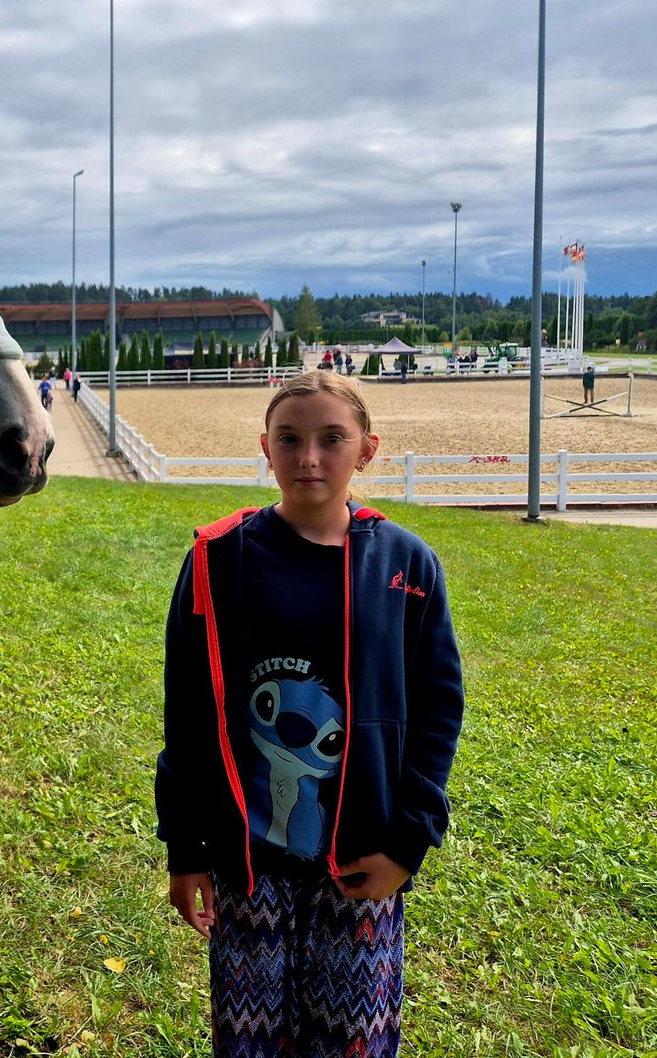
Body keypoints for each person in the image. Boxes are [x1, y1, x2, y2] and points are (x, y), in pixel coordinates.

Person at [155, 370, 463, 1058]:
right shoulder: (219, 557)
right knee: (251, 1043)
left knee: (353, 1040)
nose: (309, 458)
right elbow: (188, 712)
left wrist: (409, 841)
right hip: (249, 864)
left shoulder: (408, 565)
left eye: (331, 439)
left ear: (368, 449)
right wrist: (187, 846)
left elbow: (439, 710)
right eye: (289, 440)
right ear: (265, 447)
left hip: (362, 861)